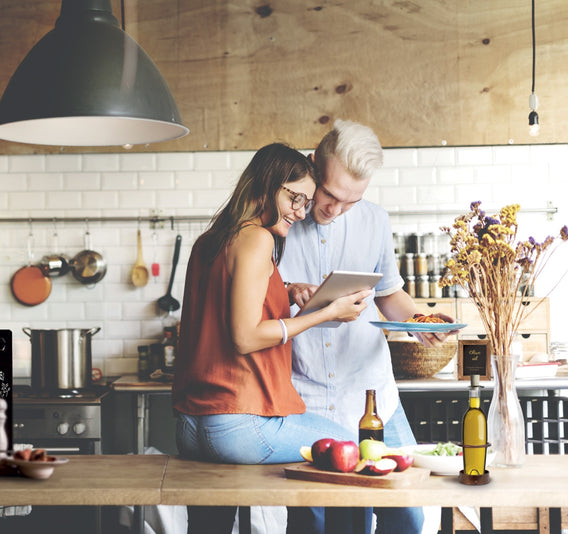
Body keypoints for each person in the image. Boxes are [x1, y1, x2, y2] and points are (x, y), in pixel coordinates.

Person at [171, 142, 375, 534]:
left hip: (191, 426)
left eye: (306, 201)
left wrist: (287, 290)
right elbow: (245, 337)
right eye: (294, 198)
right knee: (350, 448)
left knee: (211, 523)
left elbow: (229, 303)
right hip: (237, 423)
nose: (301, 212)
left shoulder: (211, 240)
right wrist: (326, 313)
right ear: (265, 186)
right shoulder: (257, 238)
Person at [279, 119, 452, 534]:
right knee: (314, 524)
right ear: (311, 167)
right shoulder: (278, 222)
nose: (334, 209)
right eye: (329, 195)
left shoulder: (374, 221)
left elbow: (390, 296)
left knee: (407, 515)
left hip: (373, 397)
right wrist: (288, 289)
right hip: (304, 401)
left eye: (350, 201)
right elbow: (254, 298)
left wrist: (419, 323)